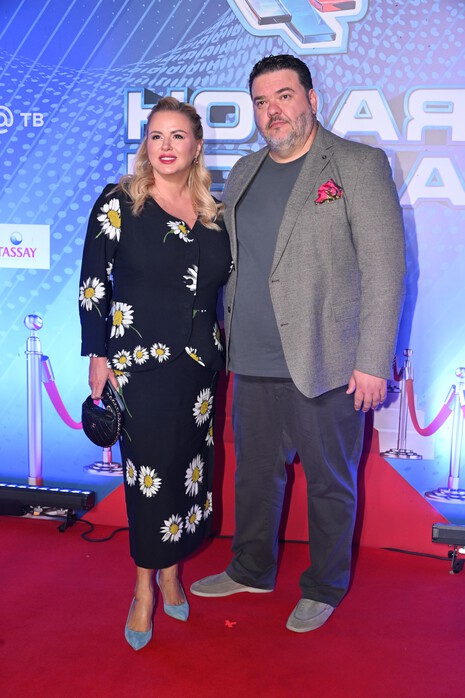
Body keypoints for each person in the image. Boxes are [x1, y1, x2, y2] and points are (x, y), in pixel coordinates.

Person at [190, 54, 406, 632]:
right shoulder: (244, 171)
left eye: (284, 96)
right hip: (250, 356)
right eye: (261, 102)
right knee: (255, 477)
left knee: (331, 483)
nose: (272, 111)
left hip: (327, 360)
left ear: (311, 99)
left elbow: (385, 270)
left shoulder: (357, 164)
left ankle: (325, 585)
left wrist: (372, 361)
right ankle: (250, 569)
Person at [79, 97, 231, 650]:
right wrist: (97, 355)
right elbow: (93, 284)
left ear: (196, 145)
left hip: (200, 371)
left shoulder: (214, 213)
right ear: (146, 143)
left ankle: (172, 571)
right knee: (149, 477)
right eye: (156, 135)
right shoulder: (120, 203)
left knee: (188, 469)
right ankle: (144, 588)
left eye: (178, 136)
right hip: (138, 368)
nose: (166, 146)